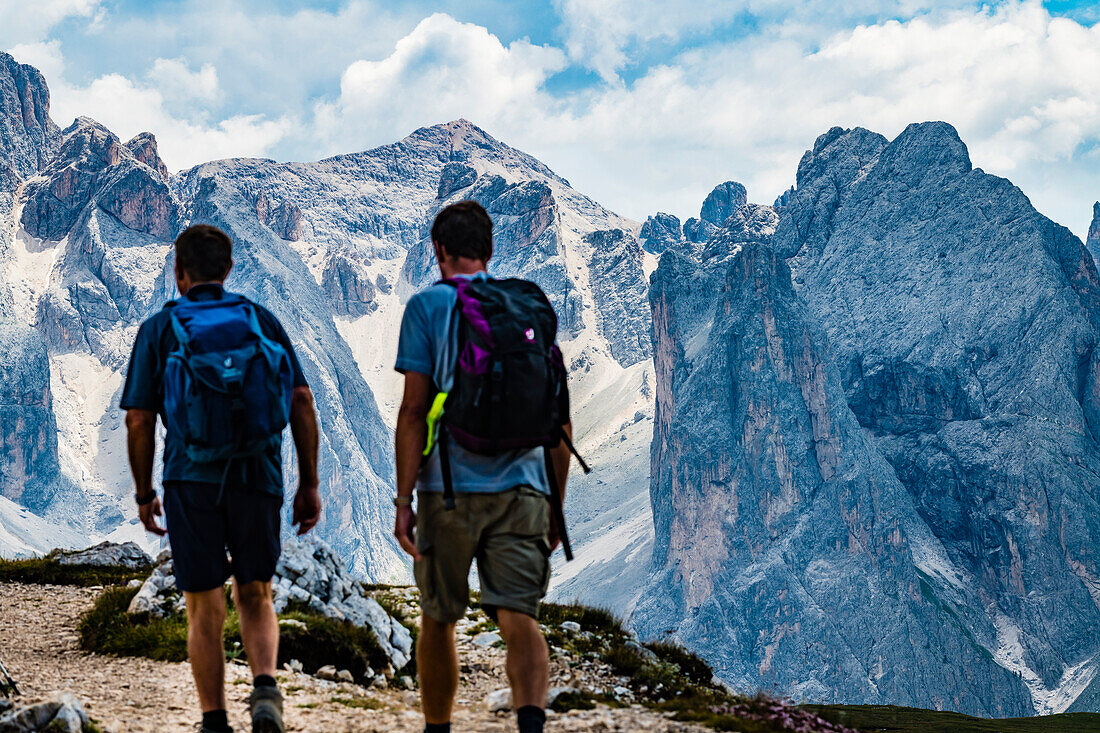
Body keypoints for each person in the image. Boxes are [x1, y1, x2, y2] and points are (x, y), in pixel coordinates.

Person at [122, 224, 322, 733]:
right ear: (229, 269)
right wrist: (309, 484)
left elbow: (140, 420)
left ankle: (214, 720)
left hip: (191, 480)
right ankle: (264, 690)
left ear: (178, 273)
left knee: (203, 602)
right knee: (256, 592)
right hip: (259, 474)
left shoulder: (160, 329)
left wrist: (145, 492)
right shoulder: (259, 320)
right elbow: (301, 401)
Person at [393, 200, 573, 733]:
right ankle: (532, 727)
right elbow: (558, 422)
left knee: (439, 618)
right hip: (524, 490)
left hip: (448, 490)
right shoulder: (529, 306)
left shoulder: (427, 308)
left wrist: (403, 501)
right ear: (490, 251)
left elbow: (412, 412)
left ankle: (438, 730)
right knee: (521, 619)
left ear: (439, 251)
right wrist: (553, 508)